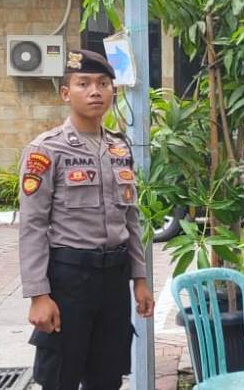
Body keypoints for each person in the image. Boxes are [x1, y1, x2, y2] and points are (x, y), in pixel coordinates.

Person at [19, 49, 154, 390]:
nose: (95, 91)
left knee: (107, 377)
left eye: (103, 83)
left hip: (114, 280)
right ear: (66, 93)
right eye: (84, 84)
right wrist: (38, 294)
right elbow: (33, 225)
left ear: (113, 91)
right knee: (61, 377)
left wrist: (140, 279)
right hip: (69, 281)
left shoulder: (119, 148)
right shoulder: (46, 150)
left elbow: (131, 220)